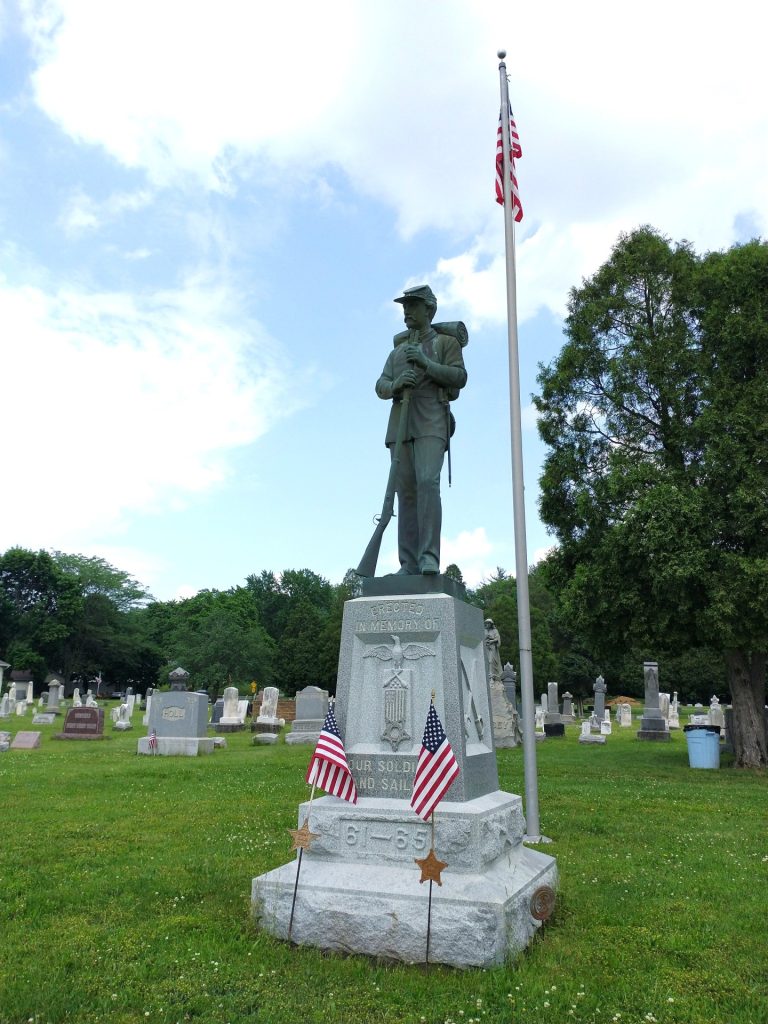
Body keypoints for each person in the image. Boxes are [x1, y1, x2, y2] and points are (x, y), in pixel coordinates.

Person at [375, 285, 467, 575]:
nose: (406, 311)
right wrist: (396, 384)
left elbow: (459, 377)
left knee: (427, 483)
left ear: (429, 309)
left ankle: (428, 557)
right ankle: (408, 563)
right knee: (405, 493)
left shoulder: (445, 343)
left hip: (431, 419)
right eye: (405, 306)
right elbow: (380, 385)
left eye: (413, 305)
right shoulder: (397, 352)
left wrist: (426, 363)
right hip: (400, 425)